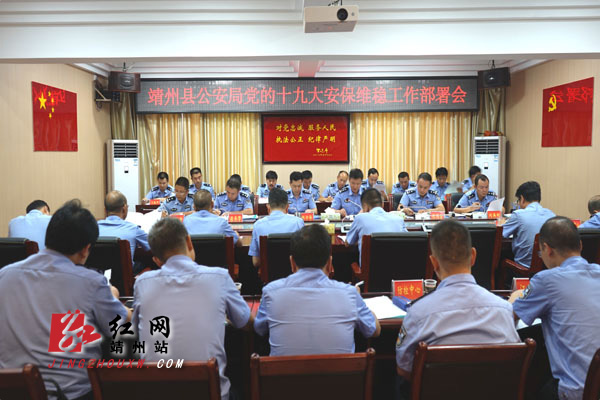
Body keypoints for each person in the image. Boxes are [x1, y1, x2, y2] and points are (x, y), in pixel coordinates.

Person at [0, 199, 130, 400]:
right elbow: (120, 326)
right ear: (86, 249)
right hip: (72, 394)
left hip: (13, 391)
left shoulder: (5, 275)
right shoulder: (91, 283)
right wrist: (112, 295)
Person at [133, 217, 251, 400]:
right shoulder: (219, 277)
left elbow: (136, 331)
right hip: (211, 394)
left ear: (156, 260)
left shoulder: (142, 283)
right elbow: (246, 323)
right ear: (189, 241)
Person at [396, 219, 520, 380]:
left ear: (434, 262)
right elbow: (513, 364)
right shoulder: (504, 310)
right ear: (473, 256)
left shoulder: (418, 313)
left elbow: (404, 369)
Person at [254, 224, 380, 356]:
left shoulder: (270, 292)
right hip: (340, 371)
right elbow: (374, 330)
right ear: (330, 263)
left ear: (292, 263)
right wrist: (359, 300)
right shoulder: (350, 294)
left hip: (283, 370)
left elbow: (259, 329)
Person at [510, 217, 600, 400]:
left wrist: (515, 296)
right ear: (580, 245)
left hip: (575, 392)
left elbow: (509, 316)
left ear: (547, 249)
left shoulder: (546, 280)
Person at [500, 181, 555, 267]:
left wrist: (501, 223)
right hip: (547, 266)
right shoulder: (551, 215)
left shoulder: (519, 215)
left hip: (523, 268)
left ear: (522, 199)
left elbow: (501, 234)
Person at [346, 188, 407, 263]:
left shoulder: (360, 218)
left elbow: (348, 243)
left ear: (365, 206)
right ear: (382, 204)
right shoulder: (399, 220)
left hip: (369, 270)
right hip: (396, 269)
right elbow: (408, 241)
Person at [248, 188, 304, 267]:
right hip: (293, 272)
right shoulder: (298, 222)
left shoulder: (258, 225)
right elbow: (303, 255)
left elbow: (256, 262)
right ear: (287, 207)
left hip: (268, 273)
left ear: (268, 207)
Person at [97, 190, 151, 266]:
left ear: (105, 210)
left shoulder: (94, 228)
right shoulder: (133, 229)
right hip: (124, 273)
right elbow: (154, 246)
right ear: (124, 209)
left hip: (98, 272)